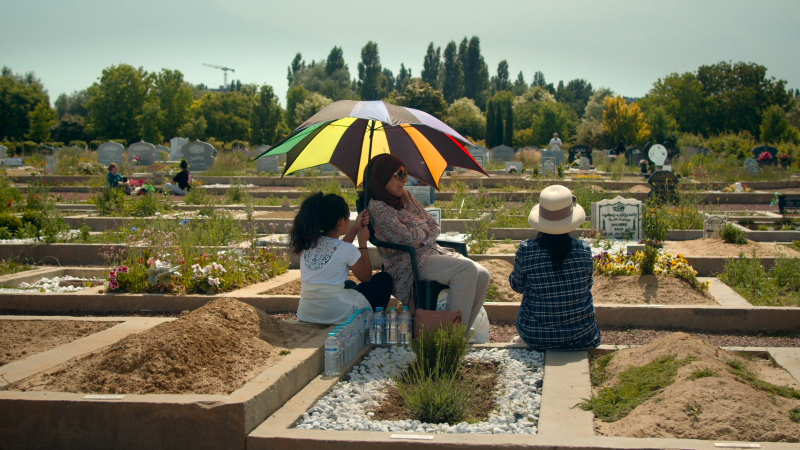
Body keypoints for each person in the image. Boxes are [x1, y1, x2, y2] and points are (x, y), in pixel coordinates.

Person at [365, 154, 489, 329]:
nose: (406, 179)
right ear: (384, 176)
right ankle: (449, 335)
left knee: (483, 274)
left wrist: (419, 236)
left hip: (429, 253)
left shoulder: (405, 197)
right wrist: (422, 233)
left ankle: (461, 333)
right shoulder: (378, 207)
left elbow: (434, 225)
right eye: (400, 175)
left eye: (405, 173)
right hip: (406, 262)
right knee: (466, 270)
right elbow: (408, 239)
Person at [509, 184, 601, 351]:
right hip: (582, 334)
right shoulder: (583, 249)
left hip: (536, 333)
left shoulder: (528, 250)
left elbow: (517, 285)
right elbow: (587, 285)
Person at [290, 192, 393, 325]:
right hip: (336, 313)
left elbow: (338, 250)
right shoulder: (345, 249)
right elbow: (366, 277)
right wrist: (363, 243)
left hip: (307, 313)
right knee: (384, 279)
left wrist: (356, 227)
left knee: (349, 284)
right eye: (349, 217)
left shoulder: (308, 244)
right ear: (341, 221)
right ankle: (371, 324)